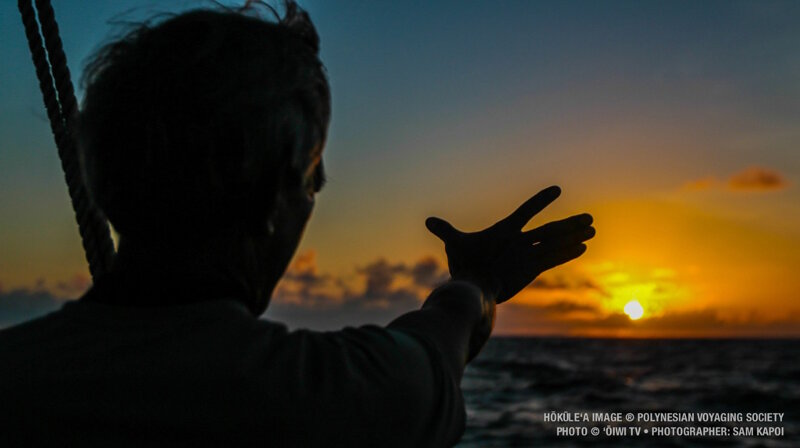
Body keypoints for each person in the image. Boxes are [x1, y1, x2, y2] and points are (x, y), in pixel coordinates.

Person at [0, 2, 594, 446]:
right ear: (271, 198)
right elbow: (439, 342)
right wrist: (477, 281)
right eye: (312, 183)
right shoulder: (339, 399)